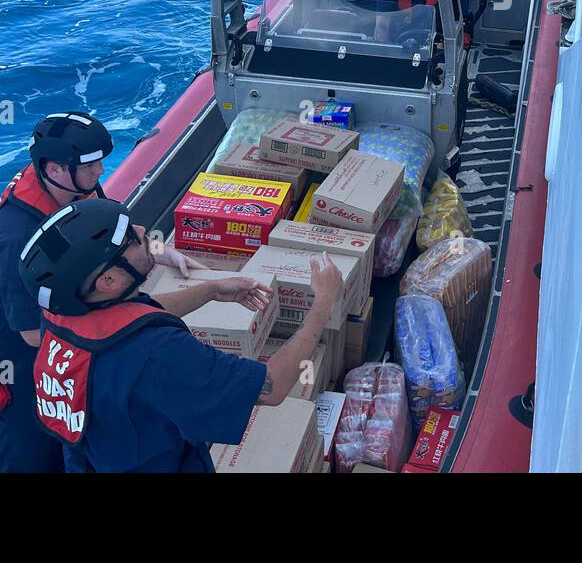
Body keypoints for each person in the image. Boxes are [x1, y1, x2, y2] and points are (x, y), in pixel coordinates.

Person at [18, 197, 342, 473]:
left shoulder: (62, 315)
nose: (144, 231)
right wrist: (322, 305)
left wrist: (211, 290)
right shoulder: (160, 356)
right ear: (109, 282)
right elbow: (271, 386)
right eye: (130, 239)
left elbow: (130, 320)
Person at [0, 110, 199, 472]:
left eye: (100, 164)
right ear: (54, 168)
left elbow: (113, 234)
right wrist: (120, 334)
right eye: (90, 167)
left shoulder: (76, 185)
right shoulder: (14, 236)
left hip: (67, 314)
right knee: (28, 450)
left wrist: (161, 251)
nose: (100, 173)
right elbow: (30, 334)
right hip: (20, 349)